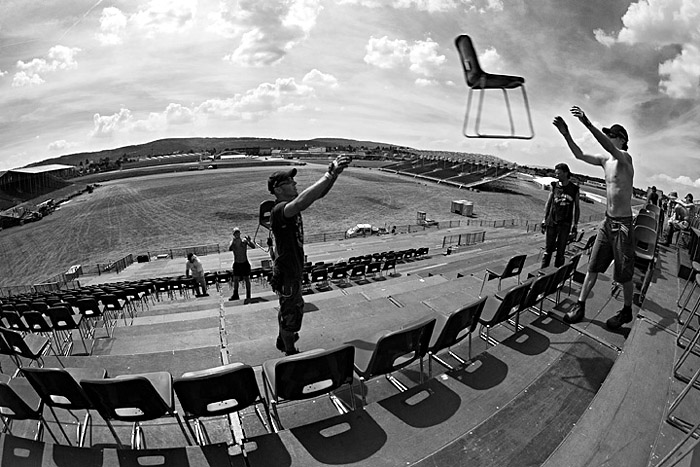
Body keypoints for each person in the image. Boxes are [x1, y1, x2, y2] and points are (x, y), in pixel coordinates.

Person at [553, 106, 635, 330]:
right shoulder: (605, 161)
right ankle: (580, 305)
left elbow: (607, 145)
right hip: (608, 222)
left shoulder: (625, 158)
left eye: (611, 134)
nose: (608, 137)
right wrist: (566, 134)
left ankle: (627, 310)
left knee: (624, 274)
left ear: (621, 139)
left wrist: (587, 123)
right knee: (593, 266)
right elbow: (579, 155)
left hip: (623, 225)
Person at [268, 155, 352, 355]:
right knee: (291, 316)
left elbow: (316, 196)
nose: (294, 183)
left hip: (292, 272)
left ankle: (283, 340)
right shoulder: (279, 210)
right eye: (289, 181)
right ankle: (289, 352)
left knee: (290, 310)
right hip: (288, 274)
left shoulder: (290, 206)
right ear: (278, 189)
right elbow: (300, 204)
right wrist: (328, 173)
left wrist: (333, 177)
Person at [541, 163, 580, 268]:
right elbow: (548, 203)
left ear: (566, 173)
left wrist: (575, 225)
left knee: (560, 253)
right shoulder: (554, 186)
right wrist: (544, 220)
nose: (556, 175)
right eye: (556, 173)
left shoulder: (574, 189)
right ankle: (541, 276)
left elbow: (577, 208)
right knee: (547, 251)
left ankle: (556, 278)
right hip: (551, 222)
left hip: (565, 224)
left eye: (559, 173)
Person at [228, 227, 256, 303]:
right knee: (235, 279)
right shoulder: (232, 242)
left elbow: (253, 246)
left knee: (247, 279)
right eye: (235, 233)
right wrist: (233, 242)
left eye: (238, 233)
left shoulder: (244, 241)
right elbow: (230, 248)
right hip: (237, 263)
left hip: (244, 262)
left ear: (240, 233)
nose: (237, 234)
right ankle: (235, 294)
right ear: (233, 234)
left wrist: (249, 241)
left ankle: (248, 295)